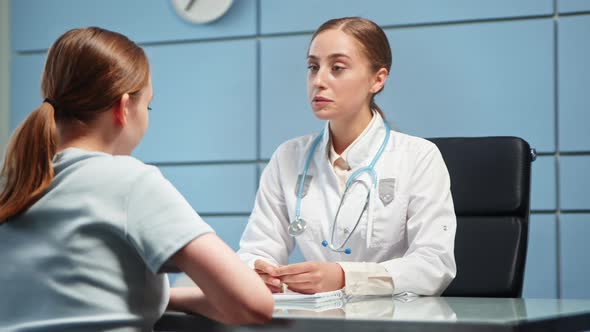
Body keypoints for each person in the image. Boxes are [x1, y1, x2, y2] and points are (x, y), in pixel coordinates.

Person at [0, 27, 273, 331]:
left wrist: (168, 297)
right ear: (124, 107)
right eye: (148, 105)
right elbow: (254, 304)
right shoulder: (130, 182)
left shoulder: (12, 186)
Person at [238, 17, 456, 296]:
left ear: (377, 79)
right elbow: (256, 248)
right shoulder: (288, 158)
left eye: (337, 68)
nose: (318, 81)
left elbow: (434, 265)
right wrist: (258, 272)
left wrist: (345, 277)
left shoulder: (419, 157)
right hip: (317, 319)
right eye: (313, 67)